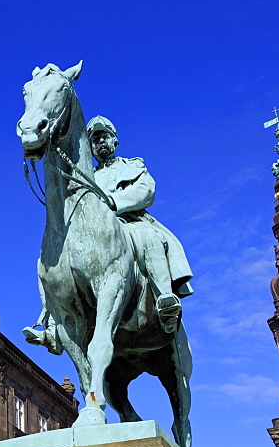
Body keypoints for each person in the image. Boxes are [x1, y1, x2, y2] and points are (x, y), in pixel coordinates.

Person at [24, 116, 193, 351]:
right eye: (95, 139)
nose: (100, 142)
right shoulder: (86, 176)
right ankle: (52, 324)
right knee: (52, 260)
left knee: (149, 237)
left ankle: (164, 299)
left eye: (105, 137)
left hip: (129, 222)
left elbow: (146, 191)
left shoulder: (132, 165)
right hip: (95, 234)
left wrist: (113, 202)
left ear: (115, 142)